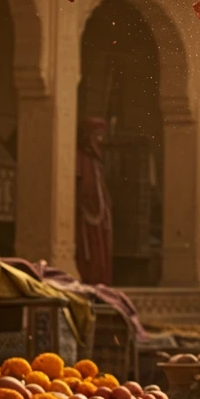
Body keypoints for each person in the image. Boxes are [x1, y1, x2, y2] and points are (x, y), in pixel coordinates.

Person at [75, 117, 113, 285]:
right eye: (96, 134)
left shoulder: (95, 159)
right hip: (86, 212)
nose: (100, 139)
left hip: (99, 212)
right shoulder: (80, 157)